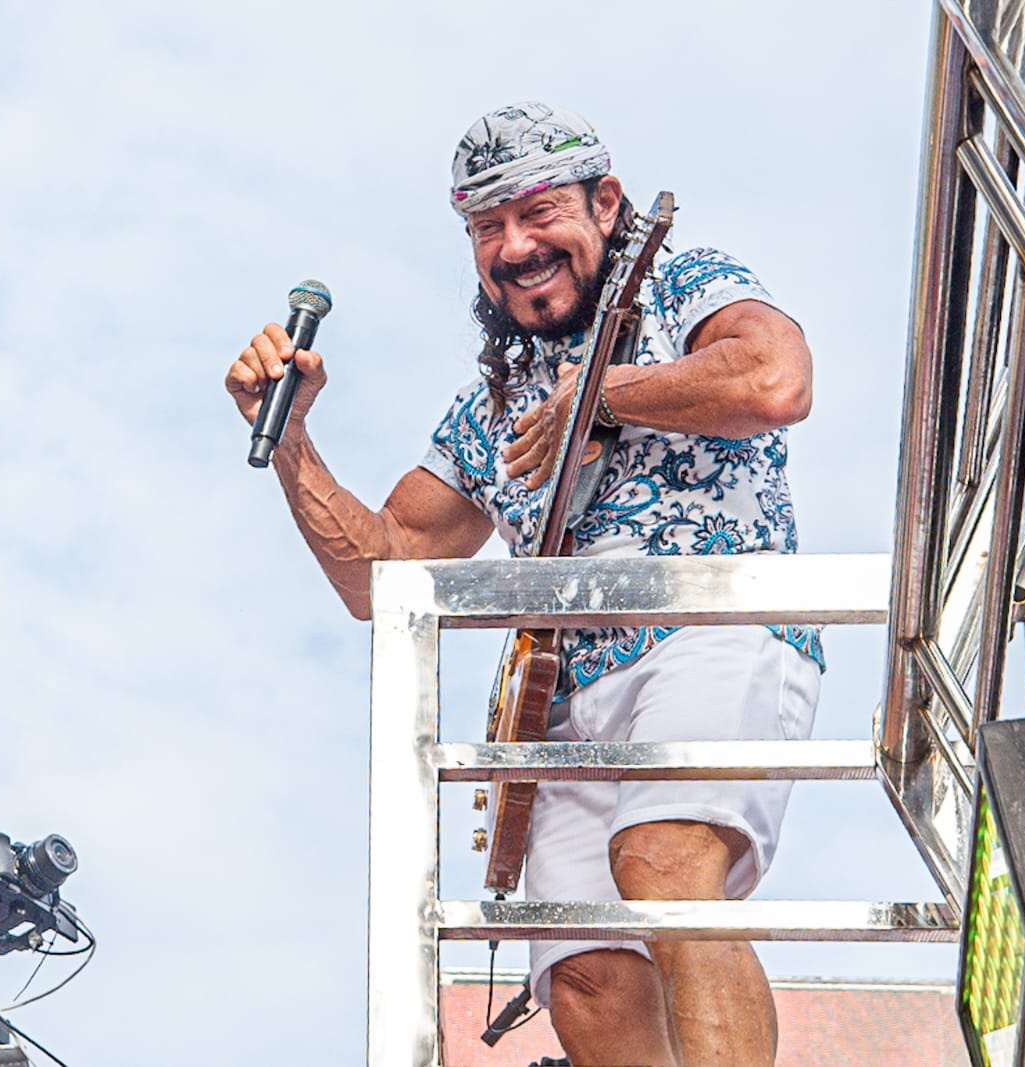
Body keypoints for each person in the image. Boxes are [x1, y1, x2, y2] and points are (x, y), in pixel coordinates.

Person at [226, 101, 823, 1067]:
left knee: (665, 863)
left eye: (538, 212)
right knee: (587, 974)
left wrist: (600, 393)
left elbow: (773, 380)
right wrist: (291, 441)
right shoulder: (488, 404)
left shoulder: (684, 287)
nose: (515, 245)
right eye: (485, 227)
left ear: (606, 203)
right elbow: (379, 575)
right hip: (570, 701)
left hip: (711, 625)